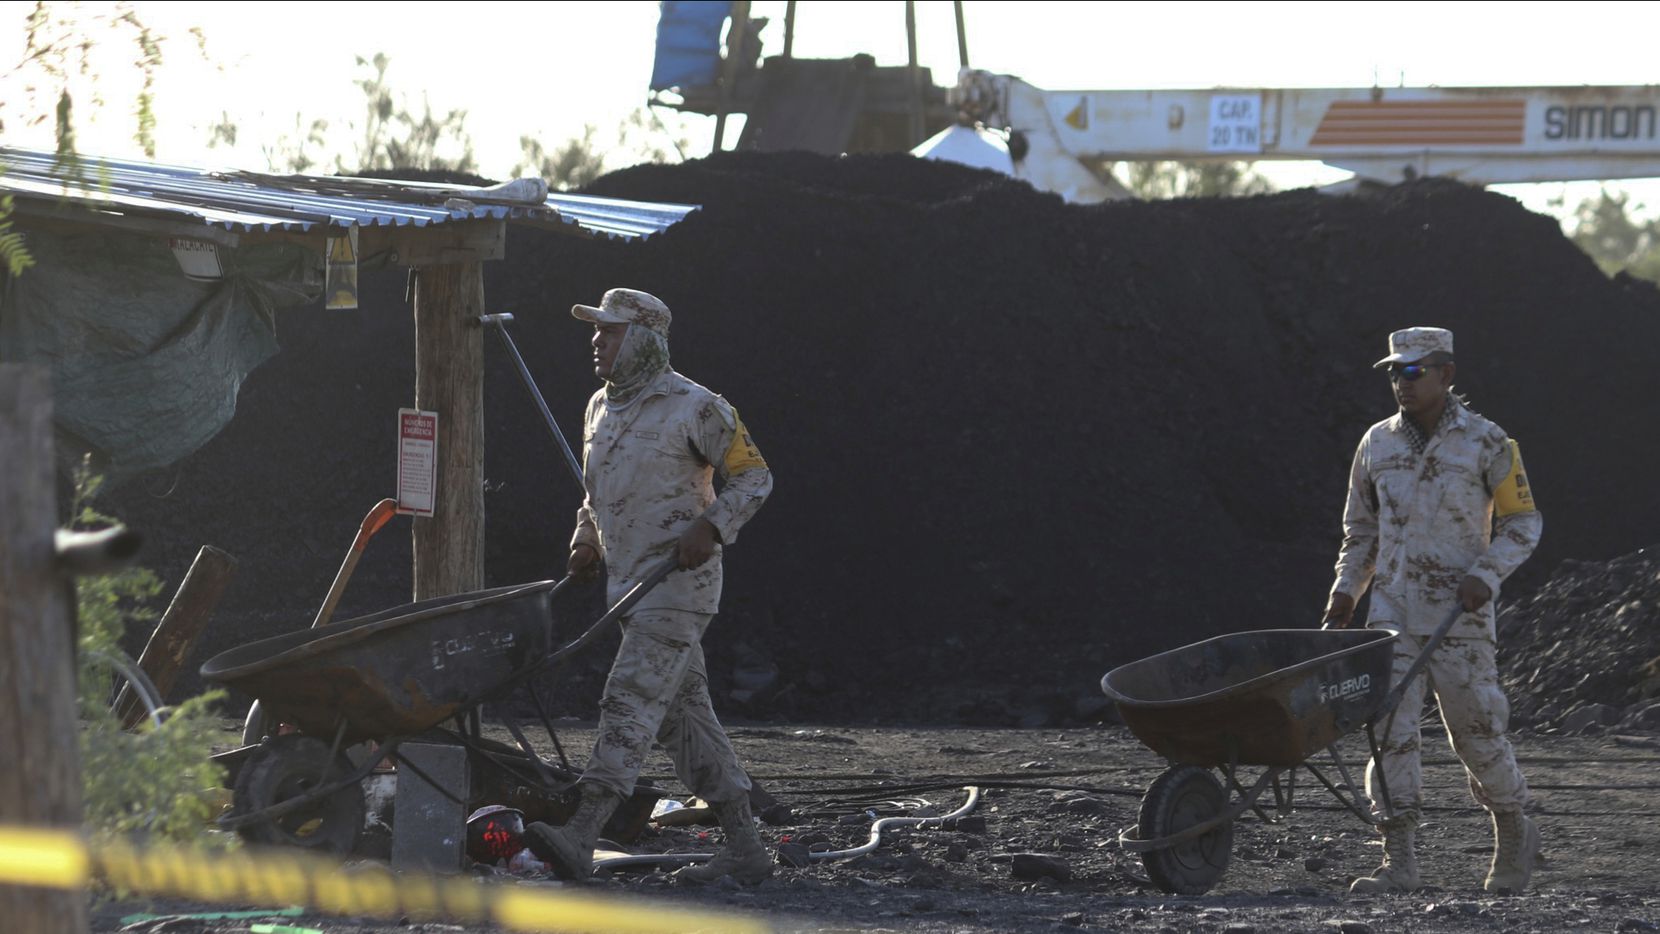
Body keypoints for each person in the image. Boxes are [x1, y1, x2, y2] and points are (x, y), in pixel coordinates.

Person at [524, 288, 775, 885]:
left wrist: (711, 525)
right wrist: (586, 538)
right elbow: (597, 493)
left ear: (643, 340)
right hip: (627, 588)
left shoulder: (698, 407)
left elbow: (755, 478)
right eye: (596, 331)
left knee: (629, 697)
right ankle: (745, 847)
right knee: (684, 721)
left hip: (679, 587)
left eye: (609, 332)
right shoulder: (598, 409)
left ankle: (582, 833)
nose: (596, 341)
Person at [1323, 326, 1543, 895]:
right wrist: (1347, 589)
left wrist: (1486, 574)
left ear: (1447, 374)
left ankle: (1514, 832)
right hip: (1391, 613)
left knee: (1476, 732)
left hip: (1460, 616)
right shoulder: (1377, 444)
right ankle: (1399, 861)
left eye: (1415, 371)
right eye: (1395, 371)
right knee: (1389, 732)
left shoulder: (1489, 443)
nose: (1402, 382)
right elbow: (1362, 530)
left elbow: (1524, 522)